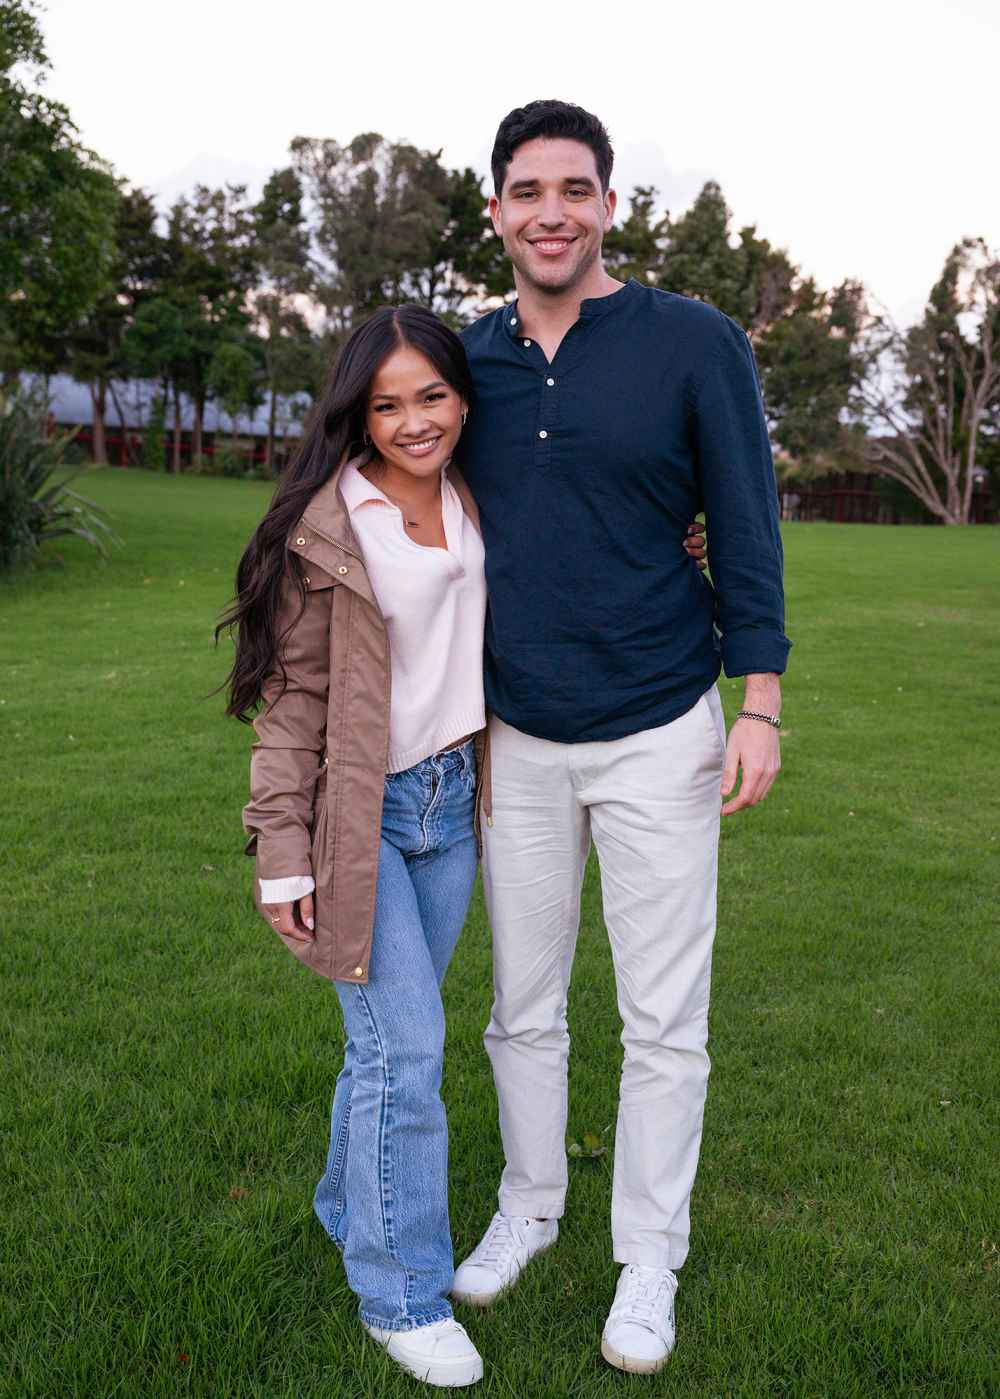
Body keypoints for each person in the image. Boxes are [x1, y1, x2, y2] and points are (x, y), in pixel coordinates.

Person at [220, 302, 708, 1387]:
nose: (411, 420)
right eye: (385, 403)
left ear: (462, 397)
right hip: (362, 817)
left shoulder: (474, 490)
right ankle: (398, 1291)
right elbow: (293, 700)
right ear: (357, 410)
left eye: (432, 395)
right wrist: (279, 849)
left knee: (386, 1046)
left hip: (457, 806)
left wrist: (683, 531)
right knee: (406, 1051)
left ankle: (349, 1205)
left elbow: (590, 518)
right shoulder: (330, 526)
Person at [450, 101, 790, 1375]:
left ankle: (650, 1253)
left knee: (665, 1018)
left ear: (607, 206)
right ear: (495, 210)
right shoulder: (463, 358)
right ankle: (529, 1205)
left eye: (573, 189)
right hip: (513, 732)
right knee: (519, 1003)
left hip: (660, 720)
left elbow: (745, 525)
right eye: (526, 190)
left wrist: (757, 697)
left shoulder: (694, 343)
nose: (551, 211)